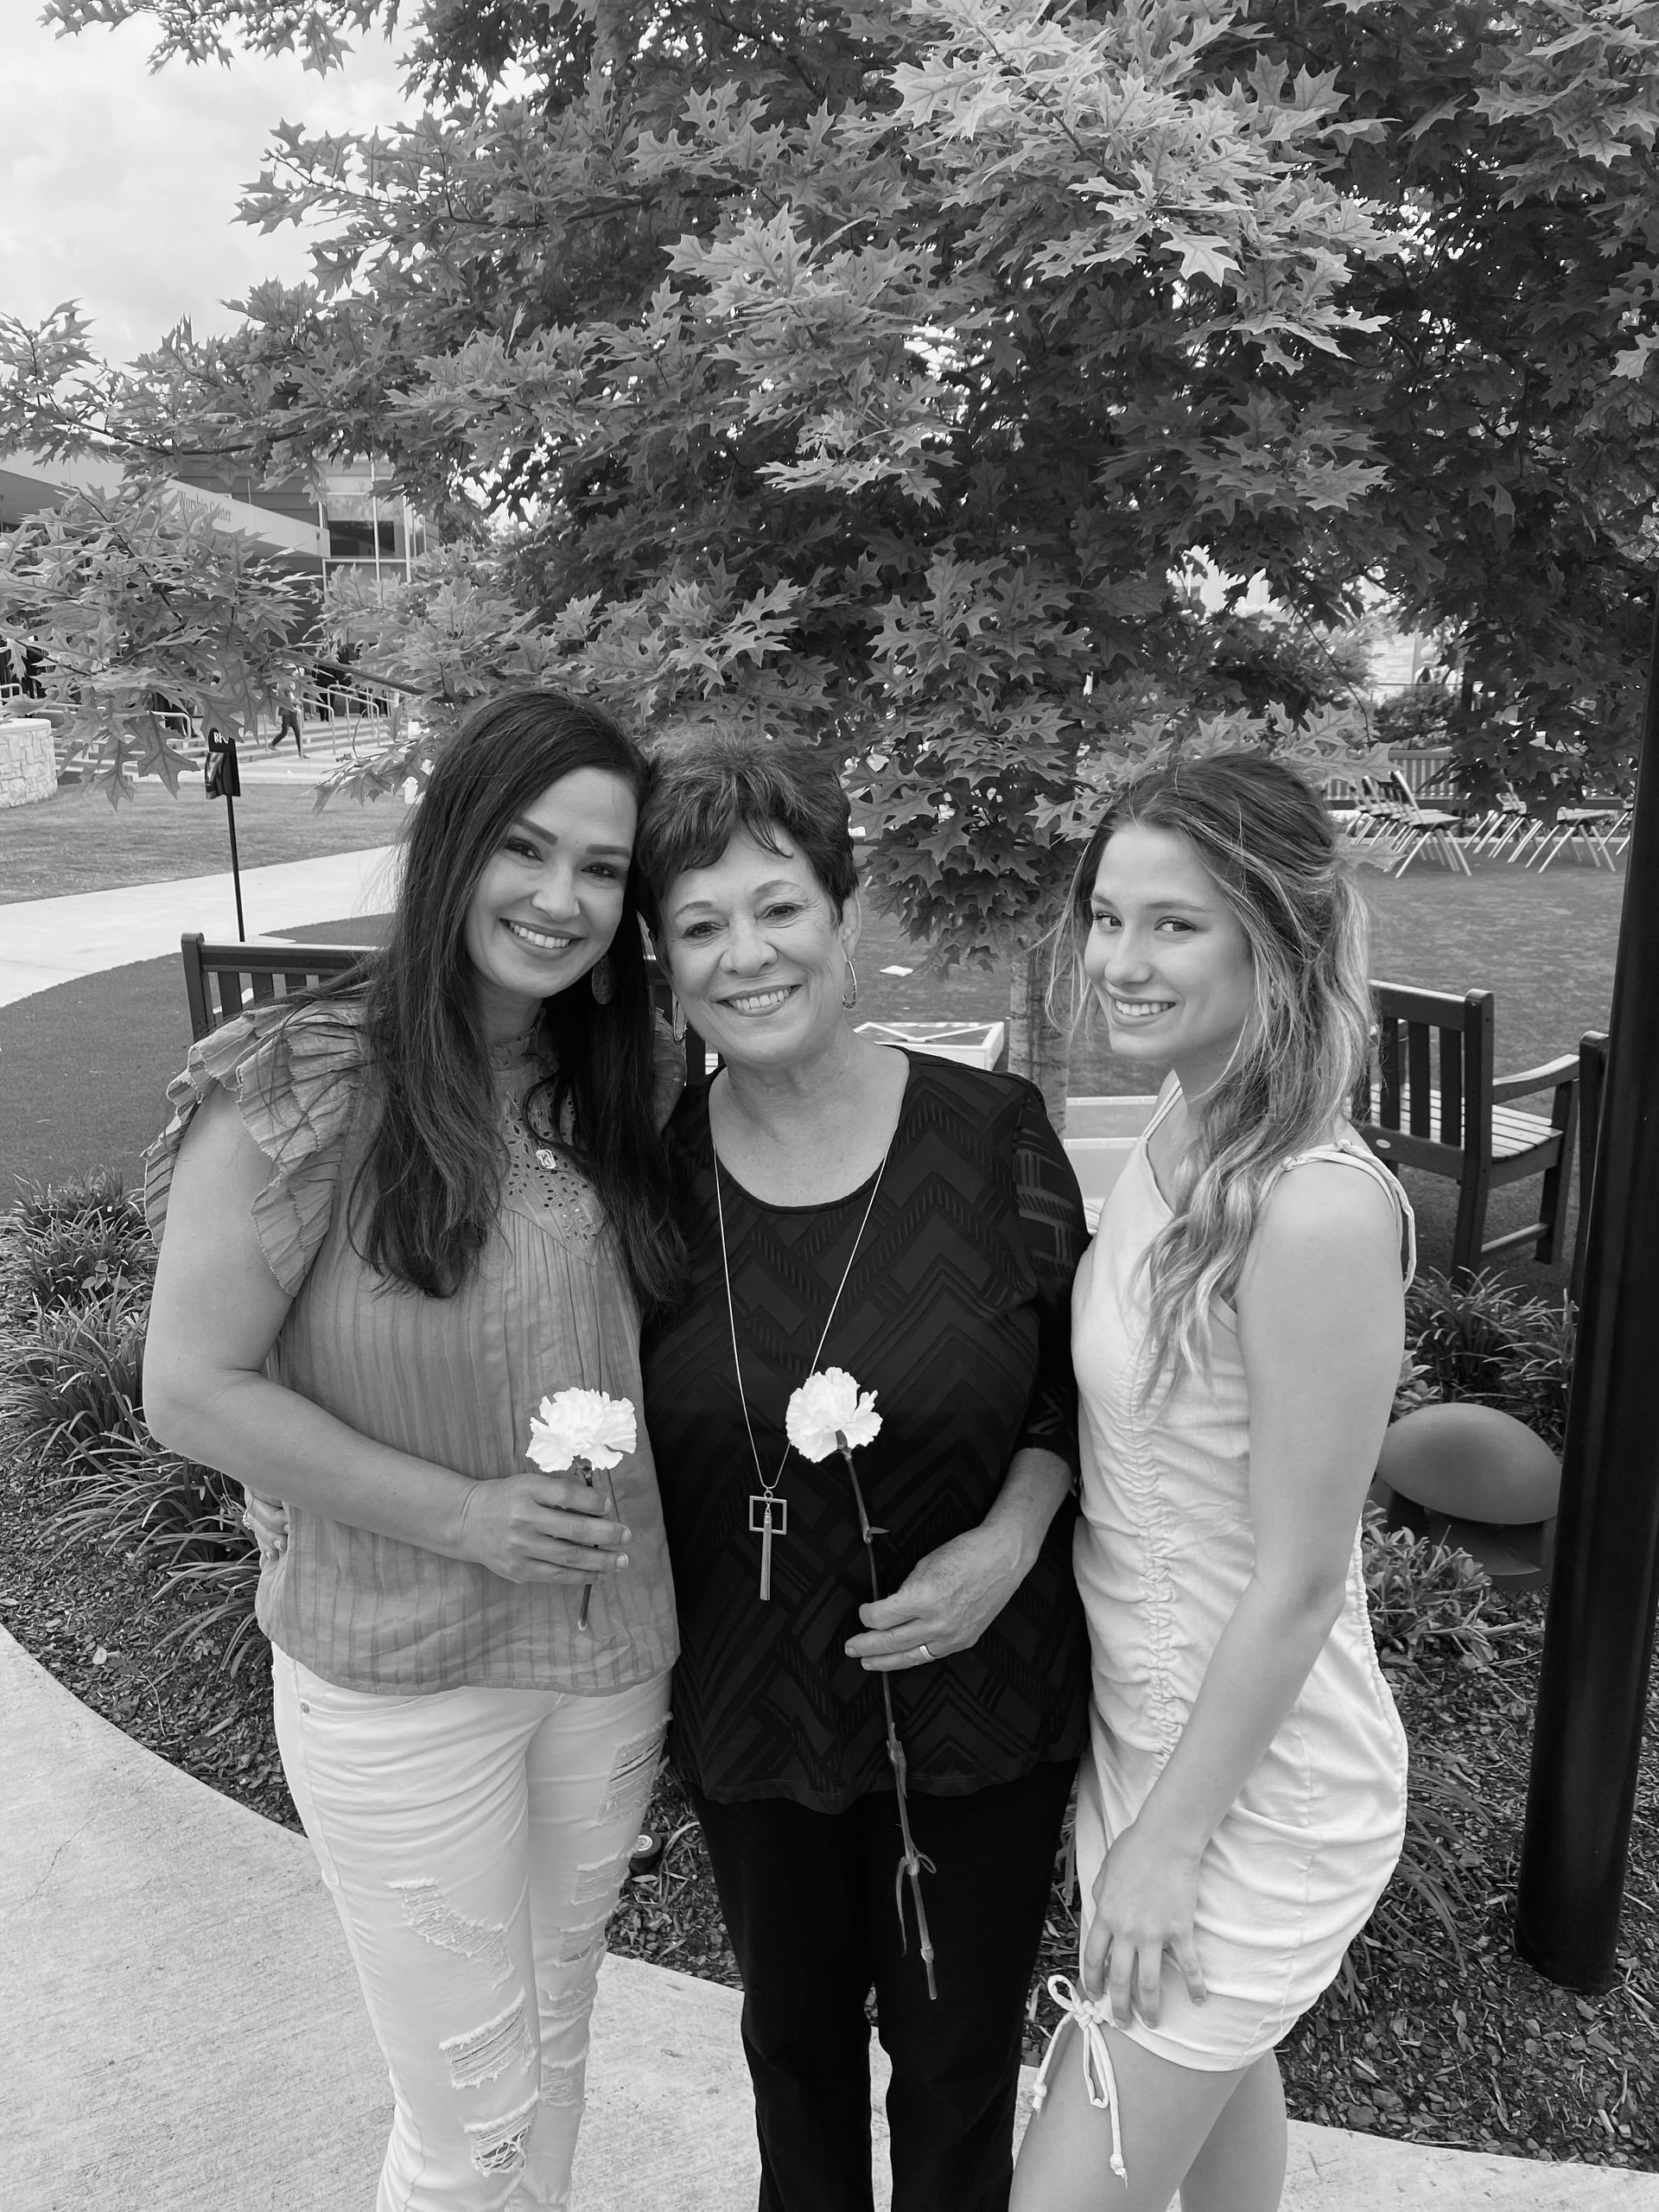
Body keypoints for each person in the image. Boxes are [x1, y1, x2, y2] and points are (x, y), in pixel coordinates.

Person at [142, 690, 685, 2212]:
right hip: (397, 1675)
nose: (561, 899)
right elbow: (190, 1389)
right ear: (452, 845)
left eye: (601, 870)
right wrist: (466, 1517)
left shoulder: (628, 1084)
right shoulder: (296, 1083)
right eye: (525, 848)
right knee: (470, 2128)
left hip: (606, 1658)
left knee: (558, 2049)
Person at [633, 733, 1090, 2212]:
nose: (745, 954)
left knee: (959, 2081)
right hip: (754, 1707)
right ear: (659, 957)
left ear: (845, 913)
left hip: (981, 1704)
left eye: (777, 907)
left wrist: (1010, 1540)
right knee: (795, 2065)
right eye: (699, 924)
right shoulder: (640, 1185)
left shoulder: (993, 1137)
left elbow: (1079, 1399)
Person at [1012, 753, 1410, 2212]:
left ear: (1277, 939)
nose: (1119, 960)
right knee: (1218, 2106)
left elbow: (1304, 1577)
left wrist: (1168, 1846)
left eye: (1173, 926)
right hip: (1152, 1741)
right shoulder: (1187, 1124)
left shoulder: (1311, 1210)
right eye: (1109, 917)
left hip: (1257, 1791)